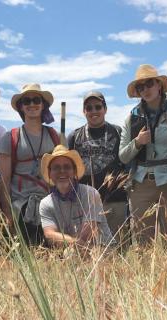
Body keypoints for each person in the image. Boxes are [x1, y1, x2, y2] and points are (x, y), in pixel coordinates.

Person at [119, 64, 167, 245]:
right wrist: (137, 142)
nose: (145, 90)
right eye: (140, 87)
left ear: (159, 85)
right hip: (141, 185)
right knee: (143, 245)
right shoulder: (131, 118)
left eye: (149, 83)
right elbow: (123, 156)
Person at [0, 83, 59, 245]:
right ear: (21, 107)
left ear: (43, 105)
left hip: (50, 205)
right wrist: (7, 212)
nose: (32, 104)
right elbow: (4, 180)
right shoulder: (9, 138)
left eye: (36, 100)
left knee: (51, 256)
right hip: (20, 207)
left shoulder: (55, 136)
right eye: (27, 101)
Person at [67, 91, 128, 242]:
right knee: (88, 248)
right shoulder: (75, 136)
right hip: (85, 203)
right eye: (89, 108)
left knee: (118, 247)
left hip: (115, 200)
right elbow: (69, 170)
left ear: (105, 109)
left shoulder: (118, 131)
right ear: (84, 111)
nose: (94, 111)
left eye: (98, 107)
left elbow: (127, 162)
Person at [39, 144, 114, 248]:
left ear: (74, 171)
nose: (62, 171)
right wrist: (73, 245)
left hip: (101, 251)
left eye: (67, 167)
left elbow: (87, 236)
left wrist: (69, 245)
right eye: (56, 167)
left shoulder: (90, 194)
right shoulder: (45, 203)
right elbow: (50, 235)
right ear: (49, 173)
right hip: (70, 253)